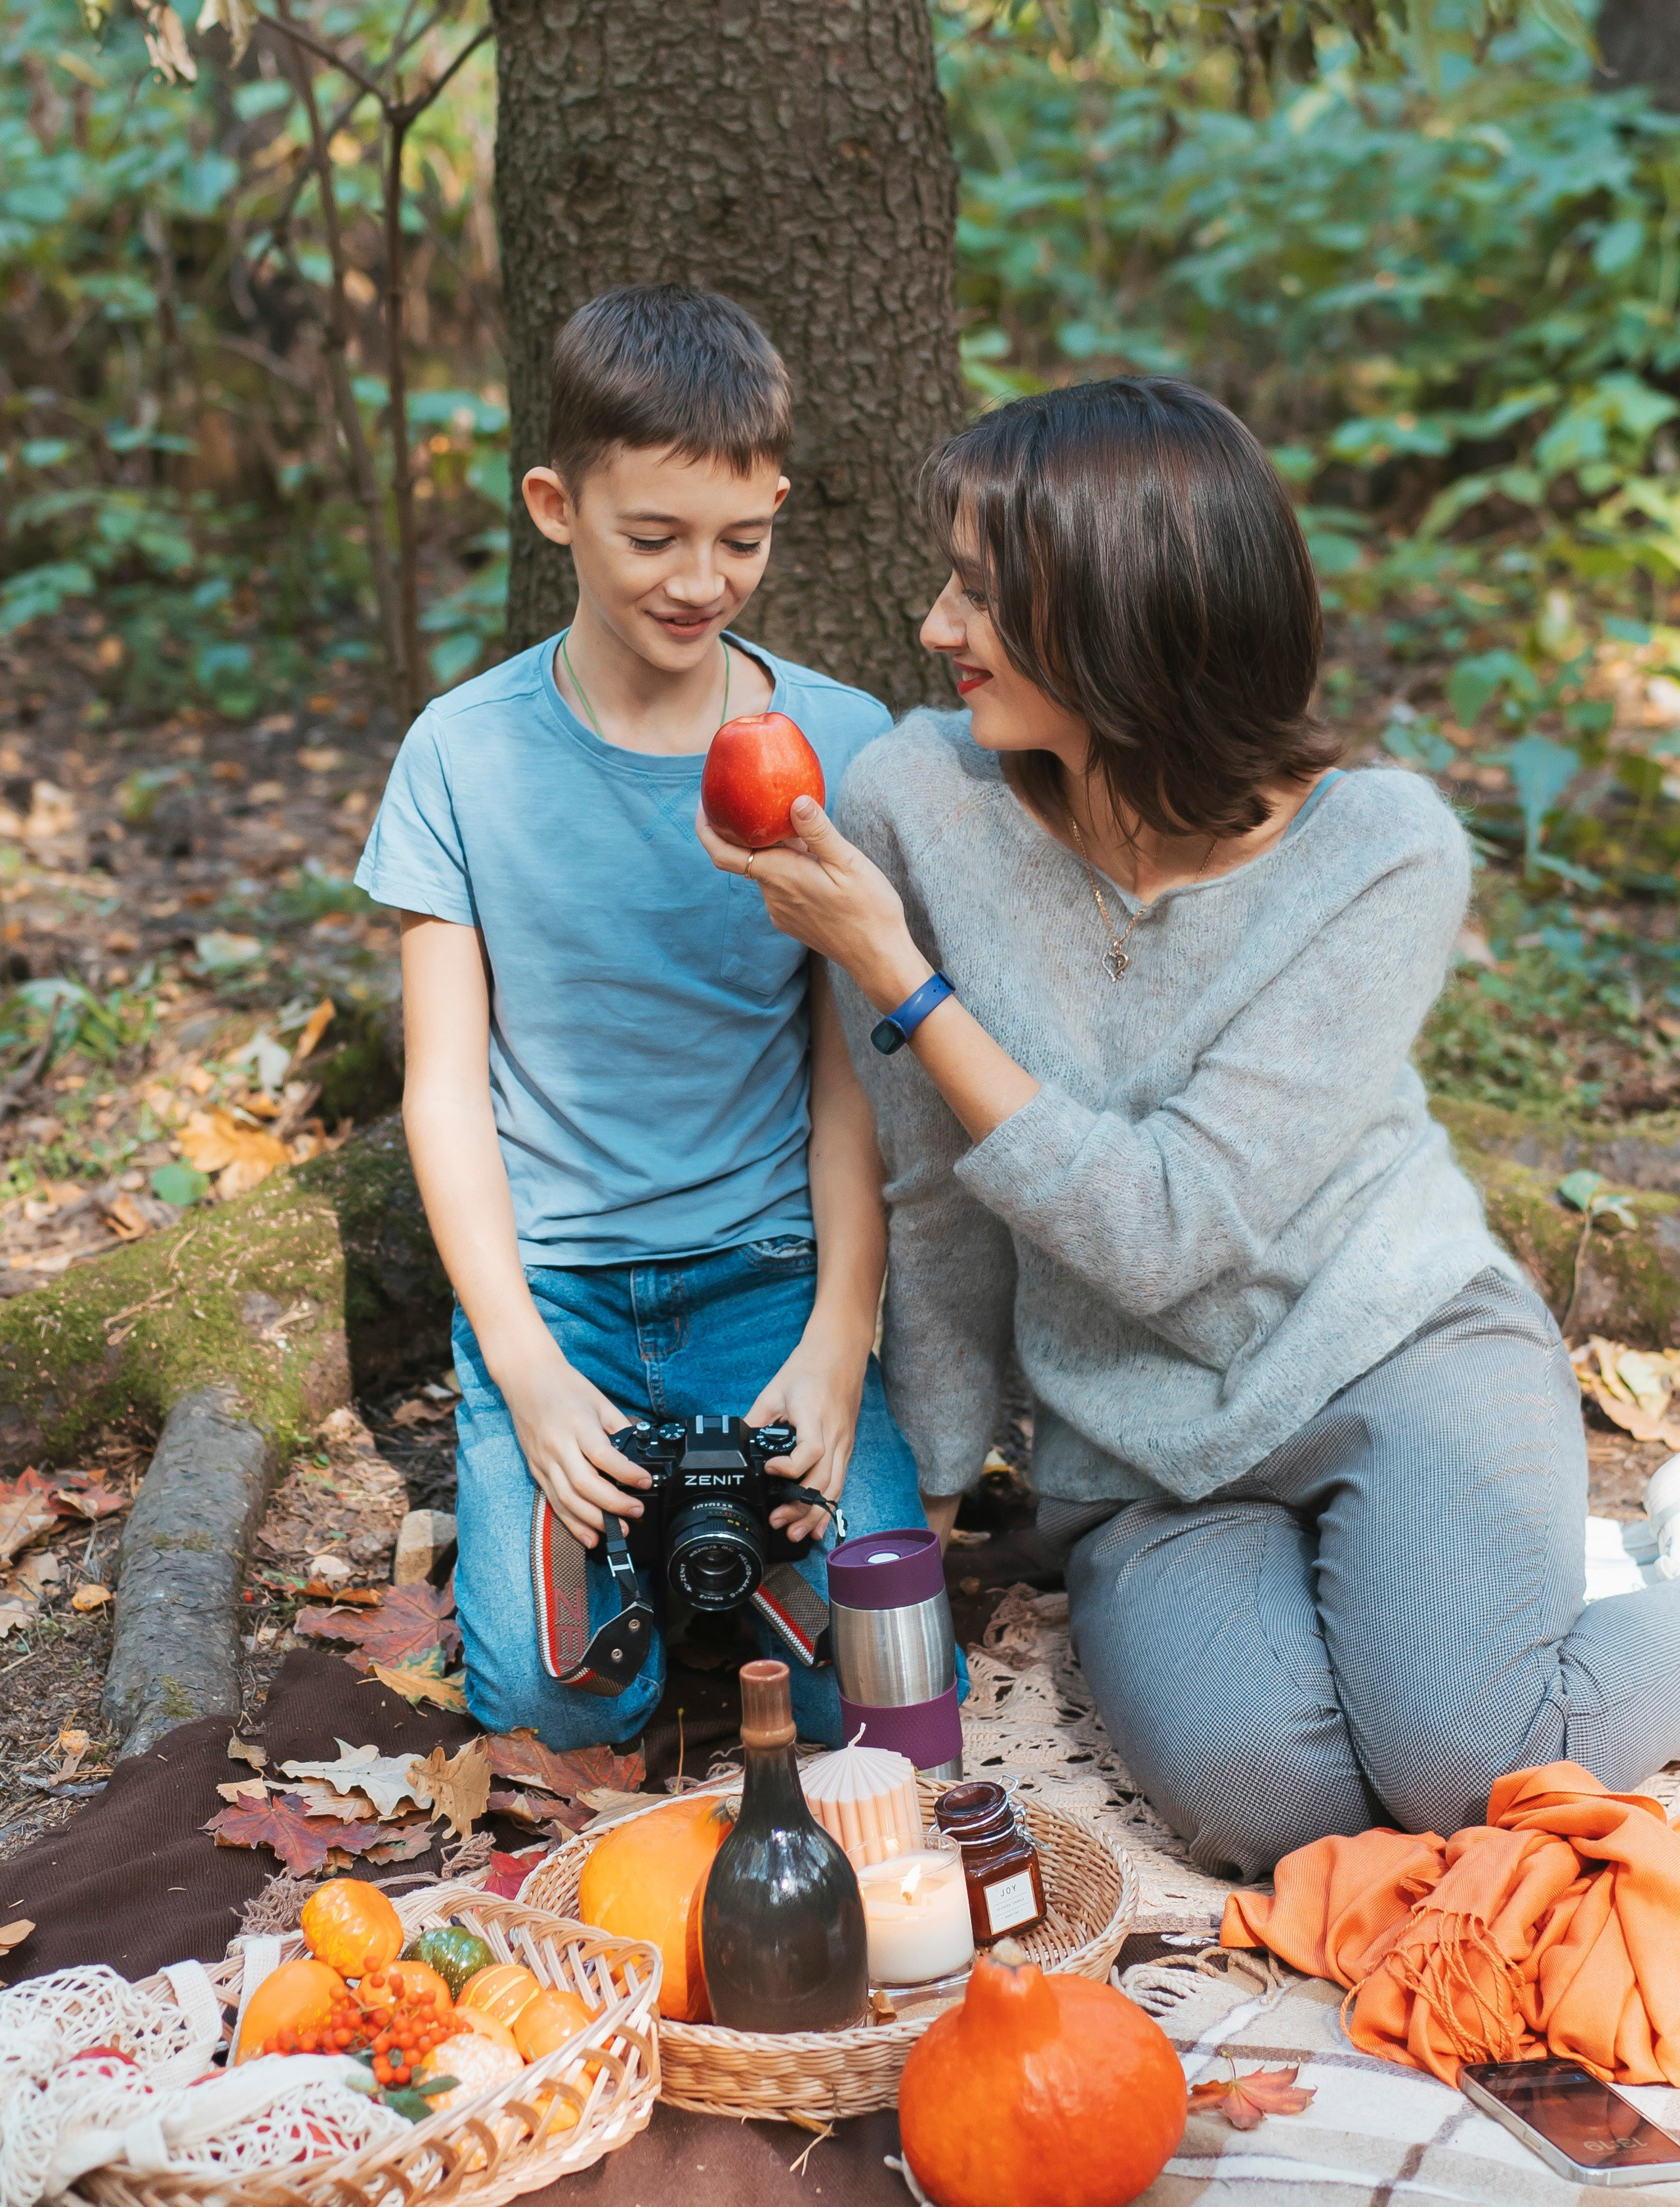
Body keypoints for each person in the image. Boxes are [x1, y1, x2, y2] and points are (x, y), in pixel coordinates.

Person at [698, 375, 1680, 1878]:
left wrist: (899, 975)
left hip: (1392, 1345)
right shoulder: (911, 801)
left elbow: (1170, 1228)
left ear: (1121, 610)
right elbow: (936, 1189)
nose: (935, 627)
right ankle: (1445, 1599)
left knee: (1469, 1767)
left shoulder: (1380, 854)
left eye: (979, 595)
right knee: (1267, 1804)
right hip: (1140, 1442)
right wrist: (931, 1498)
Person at [358, 283, 928, 1751]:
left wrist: (839, 1337)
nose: (700, 581)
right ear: (556, 508)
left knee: (881, 1686)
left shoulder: (837, 740)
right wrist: (525, 1370)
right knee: (555, 1711)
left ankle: (712, 1560)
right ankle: (655, 1554)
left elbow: (851, 1076)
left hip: (767, 1280)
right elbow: (443, 1089)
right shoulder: (461, 757)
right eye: (654, 537)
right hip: (556, 1293)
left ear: (778, 506)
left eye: (740, 540)